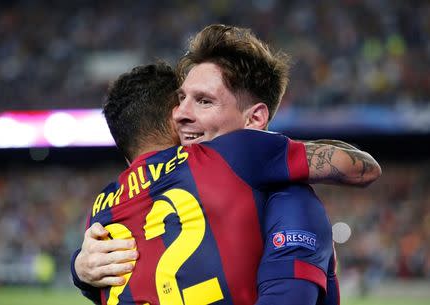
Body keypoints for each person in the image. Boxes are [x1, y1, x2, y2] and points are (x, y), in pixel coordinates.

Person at [72, 25, 381, 304]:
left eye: (204, 101)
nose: (180, 113)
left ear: (255, 120)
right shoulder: (186, 181)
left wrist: (80, 271)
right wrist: (80, 267)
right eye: (180, 99)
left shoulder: (288, 199)